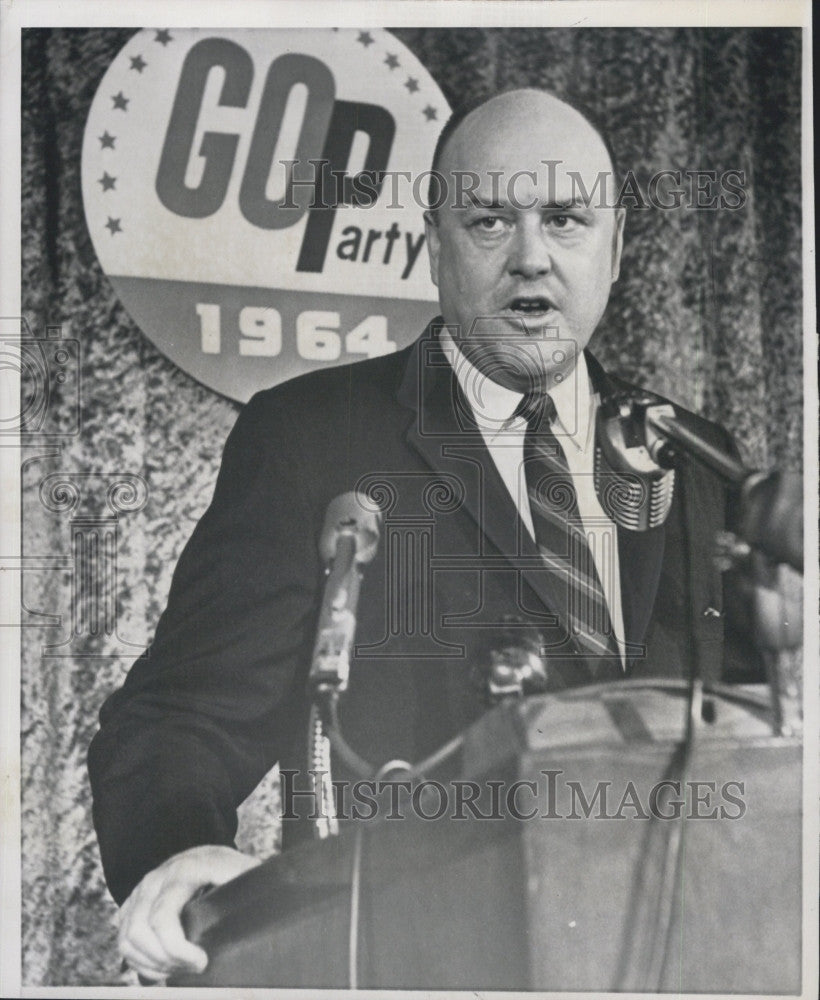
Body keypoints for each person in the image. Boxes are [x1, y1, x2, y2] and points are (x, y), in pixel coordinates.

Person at [88, 88, 757, 982]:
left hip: (687, 959)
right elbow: (179, 720)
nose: (531, 258)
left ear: (616, 247)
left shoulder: (698, 457)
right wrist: (178, 856)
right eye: (489, 221)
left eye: (565, 219)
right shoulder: (309, 440)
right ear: (434, 245)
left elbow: (764, 730)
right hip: (416, 962)